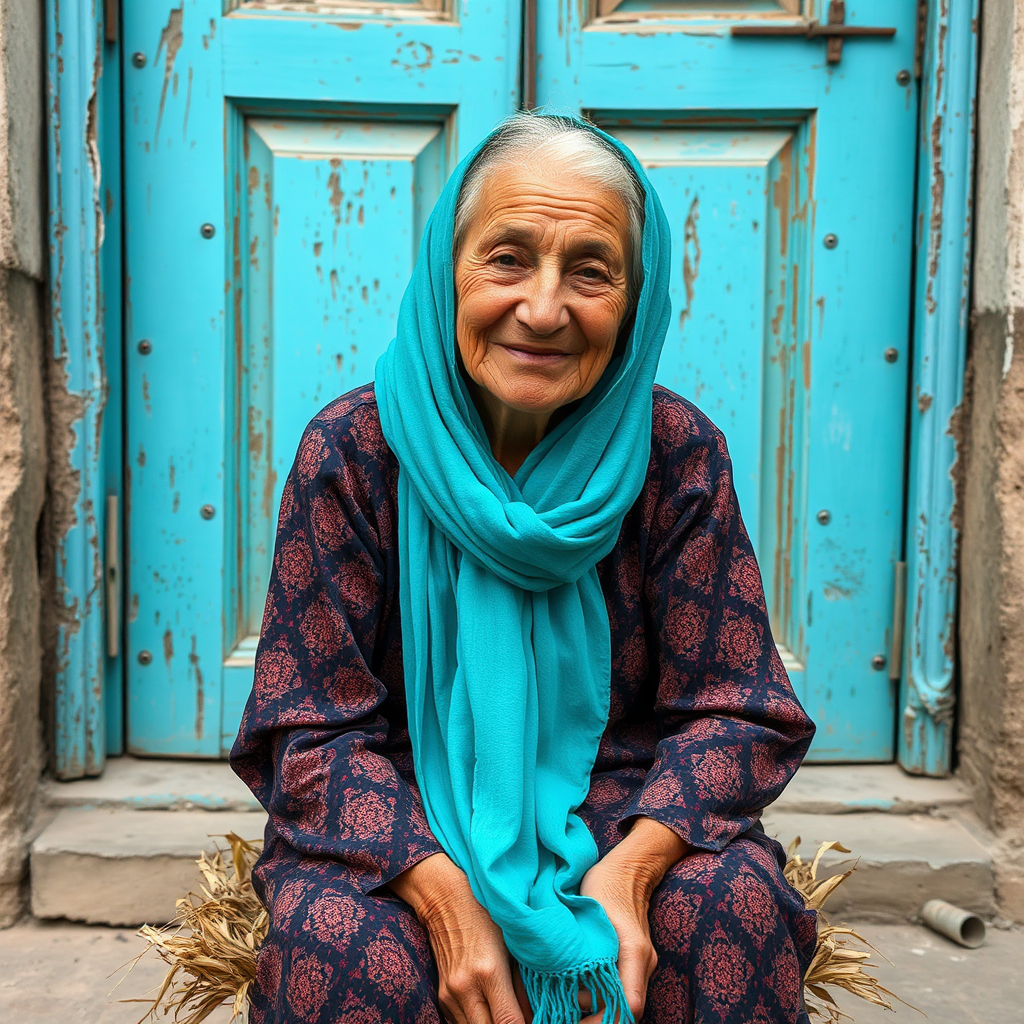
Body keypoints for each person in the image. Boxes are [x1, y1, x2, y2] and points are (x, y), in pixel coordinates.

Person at [230, 112, 817, 1024]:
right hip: (402, 819)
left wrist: (634, 867)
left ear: (637, 297)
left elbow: (738, 705)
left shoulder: (675, 454)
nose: (544, 310)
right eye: (507, 259)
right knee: (343, 947)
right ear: (445, 269)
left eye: (591, 270)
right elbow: (308, 730)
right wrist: (445, 898)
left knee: (727, 906)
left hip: (622, 808)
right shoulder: (351, 452)